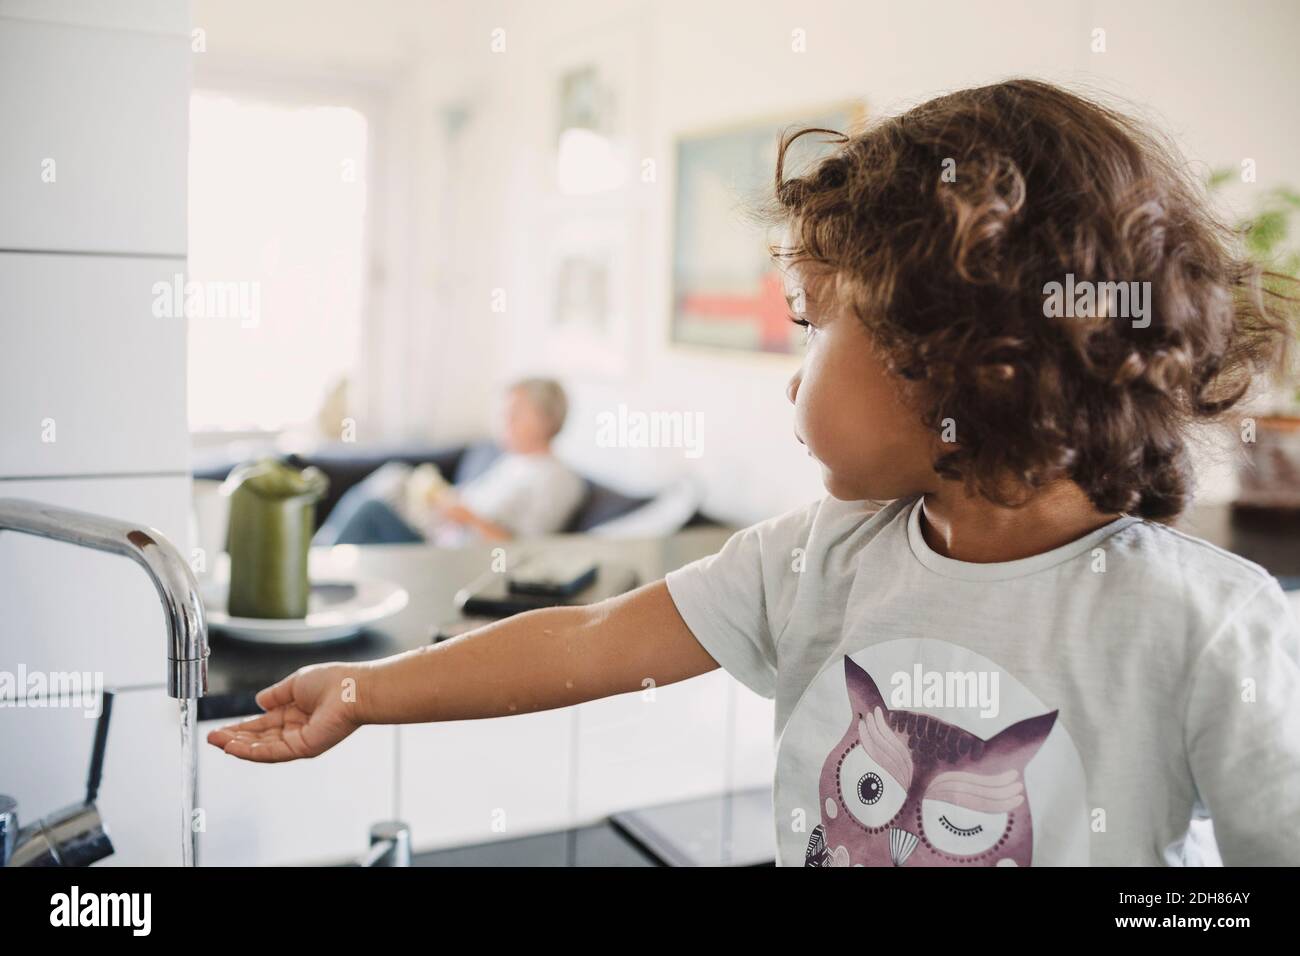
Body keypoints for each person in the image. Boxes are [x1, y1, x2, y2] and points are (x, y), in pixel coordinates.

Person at [208, 80, 1300, 866]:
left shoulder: (1203, 624)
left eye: (812, 324)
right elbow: (593, 638)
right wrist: (364, 689)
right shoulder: (822, 555)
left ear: (962, 352)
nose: (792, 383)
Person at [313, 377, 586, 546]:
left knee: (371, 510)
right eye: (505, 413)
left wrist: (467, 517)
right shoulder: (511, 461)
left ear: (545, 419)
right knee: (391, 478)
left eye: (515, 414)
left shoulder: (557, 479)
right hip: (440, 535)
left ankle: (317, 564)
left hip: (452, 559)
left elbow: (528, 548)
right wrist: (445, 501)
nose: (504, 422)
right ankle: (321, 556)